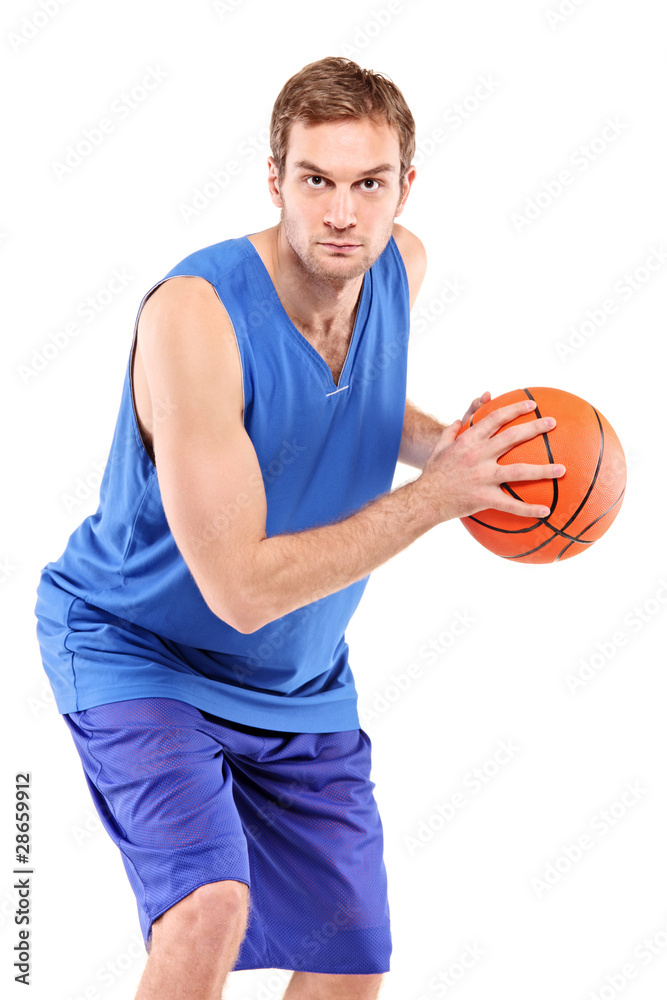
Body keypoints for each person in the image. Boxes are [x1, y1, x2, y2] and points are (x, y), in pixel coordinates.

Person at [34, 56, 564, 1000]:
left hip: (296, 678)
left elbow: (346, 392)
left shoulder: (401, 265)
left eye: (370, 184)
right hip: (139, 648)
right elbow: (240, 590)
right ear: (274, 179)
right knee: (207, 908)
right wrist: (436, 496)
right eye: (316, 181)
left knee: (347, 958)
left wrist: (450, 444)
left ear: (406, 187)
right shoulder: (194, 319)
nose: (341, 214)